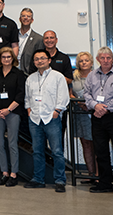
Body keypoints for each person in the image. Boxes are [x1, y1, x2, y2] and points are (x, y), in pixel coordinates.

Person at [85, 46, 113, 197]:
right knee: (101, 152)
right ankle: (105, 183)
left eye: (108, 58)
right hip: (97, 118)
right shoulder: (91, 75)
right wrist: (95, 106)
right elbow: (87, 94)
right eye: (102, 58)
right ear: (98, 60)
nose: (105, 60)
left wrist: (105, 109)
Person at [24, 49, 69, 191]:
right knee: (37, 151)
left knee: (56, 151)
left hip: (51, 118)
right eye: (36, 59)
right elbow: (27, 98)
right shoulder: (30, 78)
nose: (39, 61)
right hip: (35, 119)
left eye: (42, 58)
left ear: (49, 60)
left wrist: (57, 111)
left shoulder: (58, 76)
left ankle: (60, 181)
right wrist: (29, 110)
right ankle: (38, 179)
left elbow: (63, 97)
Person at [0, 47, 26, 187]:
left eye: (8, 57)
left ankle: (14, 174)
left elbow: (21, 95)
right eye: (3, 57)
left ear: (13, 59)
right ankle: (4, 172)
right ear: (0, 58)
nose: (6, 59)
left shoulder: (18, 73)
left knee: (12, 143)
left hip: (13, 113)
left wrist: (8, 109)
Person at [71, 51, 98, 182]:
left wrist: (90, 104)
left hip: (94, 113)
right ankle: (91, 174)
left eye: (86, 60)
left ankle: (99, 175)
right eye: (81, 61)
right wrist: (79, 103)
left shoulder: (97, 75)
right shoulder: (74, 76)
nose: (84, 63)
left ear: (91, 62)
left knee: (97, 144)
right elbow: (70, 93)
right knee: (85, 144)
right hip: (80, 113)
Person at [18, 8, 43, 74]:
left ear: (32, 20)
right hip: (12, 72)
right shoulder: (13, 34)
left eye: (28, 16)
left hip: (28, 74)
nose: (25, 18)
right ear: (20, 19)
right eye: (23, 16)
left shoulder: (38, 39)